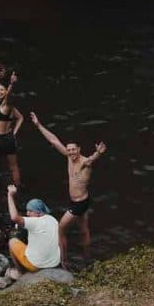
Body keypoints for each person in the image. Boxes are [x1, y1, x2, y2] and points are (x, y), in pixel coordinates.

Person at [30, 111, 105, 264]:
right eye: (69, 149)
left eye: (73, 149)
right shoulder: (69, 158)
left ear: (79, 149)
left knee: (61, 229)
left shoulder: (84, 162)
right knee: (84, 231)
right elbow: (53, 139)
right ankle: (87, 260)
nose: (71, 152)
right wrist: (38, 125)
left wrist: (98, 153)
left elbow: (91, 160)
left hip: (79, 204)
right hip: (81, 200)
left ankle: (64, 262)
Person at [5, 184, 62, 277]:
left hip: (36, 266)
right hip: (54, 264)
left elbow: (14, 217)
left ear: (39, 212)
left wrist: (10, 195)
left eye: (30, 211)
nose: (27, 213)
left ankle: (20, 273)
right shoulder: (53, 220)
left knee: (12, 242)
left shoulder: (34, 222)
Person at [0, 75, 24, 187]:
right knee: (14, 166)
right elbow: (21, 118)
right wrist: (14, 132)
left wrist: (12, 84)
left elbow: (8, 95)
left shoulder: (5, 104)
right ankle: (18, 187)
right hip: (8, 138)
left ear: (6, 91)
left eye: (1, 90)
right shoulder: (11, 108)